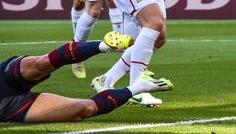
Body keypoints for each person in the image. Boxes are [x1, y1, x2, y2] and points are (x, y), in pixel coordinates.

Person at [0, 32, 173, 123]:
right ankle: (138, 87)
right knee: (85, 108)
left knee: (41, 63)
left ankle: (104, 45)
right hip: (7, 107)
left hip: (2, 76)